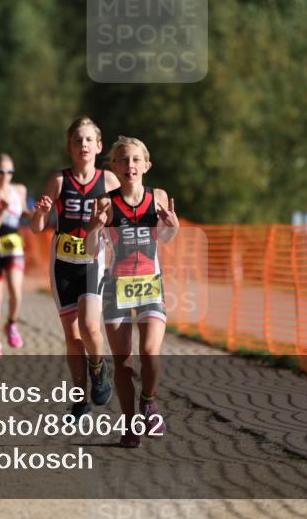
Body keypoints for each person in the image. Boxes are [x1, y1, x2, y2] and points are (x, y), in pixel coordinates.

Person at [86, 136, 180, 447]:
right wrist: (95, 228)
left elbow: (166, 239)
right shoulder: (104, 203)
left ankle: (149, 402)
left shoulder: (159, 198)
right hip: (117, 287)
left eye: (136, 160)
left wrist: (173, 226)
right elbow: (90, 250)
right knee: (124, 363)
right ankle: (129, 426)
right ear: (114, 166)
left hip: (150, 284)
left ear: (147, 165)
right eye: (124, 160)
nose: (130, 166)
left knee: (150, 353)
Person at [30, 116, 119, 419]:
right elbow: (36, 226)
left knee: (91, 326)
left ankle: (99, 367)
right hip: (63, 263)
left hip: (93, 260)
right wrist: (41, 213)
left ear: (99, 146)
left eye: (88, 140)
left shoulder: (108, 181)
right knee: (72, 335)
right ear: (69, 146)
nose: (83, 145)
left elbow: (126, 214)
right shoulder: (59, 181)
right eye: (77, 140)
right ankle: (80, 397)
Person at [0, 154, 32, 356]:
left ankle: (11, 324)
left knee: (16, 291)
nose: (5, 176)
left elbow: (25, 213)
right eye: (1, 171)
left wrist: (38, 212)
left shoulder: (19, 190)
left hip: (13, 242)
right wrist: (2, 210)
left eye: (9, 171)